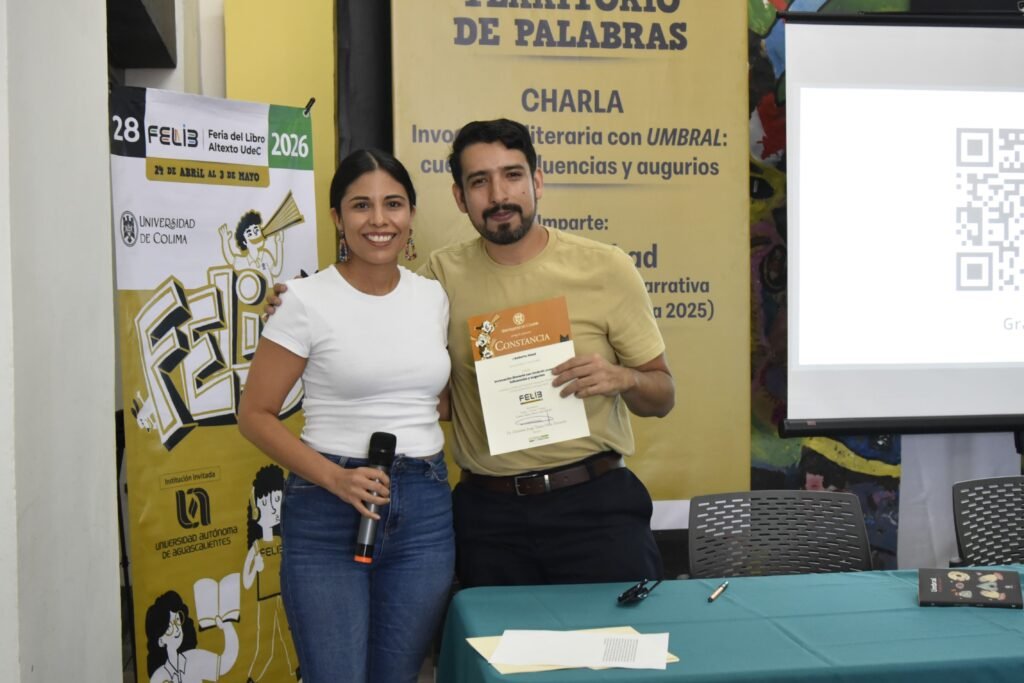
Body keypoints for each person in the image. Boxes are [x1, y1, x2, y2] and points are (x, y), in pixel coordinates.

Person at [267, 119, 674, 588]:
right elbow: (374, 311)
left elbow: (662, 396)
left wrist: (625, 379)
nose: (498, 195)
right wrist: (296, 300)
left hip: (596, 505)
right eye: (479, 182)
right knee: (498, 657)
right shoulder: (438, 278)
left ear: (537, 181)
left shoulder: (607, 268)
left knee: (618, 650)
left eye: (513, 175)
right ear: (460, 198)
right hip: (490, 518)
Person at [238, 148, 454, 682]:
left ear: (411, 214)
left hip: (424, 504)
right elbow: (255, 414)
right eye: (361, 206)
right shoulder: (303, 301)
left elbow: (432, 398)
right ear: (337, 218)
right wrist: (337, 478)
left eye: (393, 204)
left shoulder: (433, 297)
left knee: (398, 675)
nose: (379, 221)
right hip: (329, 503)